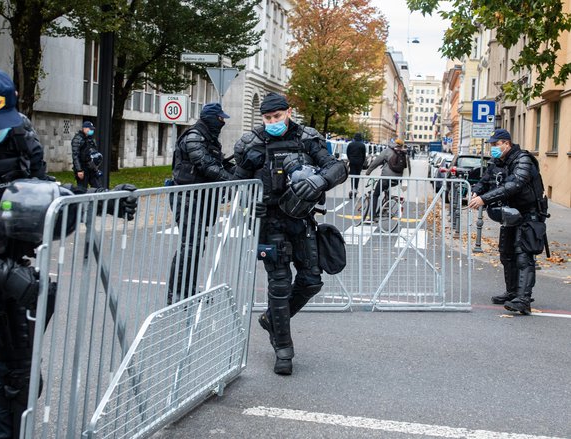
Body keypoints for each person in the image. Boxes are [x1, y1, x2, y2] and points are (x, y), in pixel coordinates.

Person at [0, 67, 137, 438]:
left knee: (22, 386)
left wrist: (98, 202)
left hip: (13, 275)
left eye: (4, 118)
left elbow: (42, 196)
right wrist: (7, 276)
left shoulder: (20, 134)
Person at [233, 92, 347, 375]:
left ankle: (272, 319)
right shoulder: (251, 142)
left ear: (289, 112)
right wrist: (250, 199)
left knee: (310, 281)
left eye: (277, 116)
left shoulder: (307, 137)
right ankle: (283, 350)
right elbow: (234, 183)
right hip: (270, 222)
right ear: (262, 118)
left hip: (302, 220)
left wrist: (320, 181)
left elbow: (337, 167)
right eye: (268, 118)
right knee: (280, 285)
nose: (273, 122)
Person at [468, 129, 547, 315]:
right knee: (506, 253)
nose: (493, 149)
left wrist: (484, 199)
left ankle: (523, 299)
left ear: (506, 144)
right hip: (511, 213)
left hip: (529, 213)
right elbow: (485, 180)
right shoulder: (499, 161)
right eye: (492, 145)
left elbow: (514, 185)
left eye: (496, 145)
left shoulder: (523, 160)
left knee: (523, 255)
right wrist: (477, 190)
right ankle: (512, 293)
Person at [167, 102, 235, 304]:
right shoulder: (195, 136)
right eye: (220, 118)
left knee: (196, 247)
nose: (222, 122)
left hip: (200, 200)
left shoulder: (208, 138)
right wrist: (231, 180)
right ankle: (176, 294)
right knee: (190, 246)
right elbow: (205, 165)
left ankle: (187, 290)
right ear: (211, 118)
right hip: (188, 199)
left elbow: (217, 164)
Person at [364, 138, 410, 220]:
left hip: (385, 178)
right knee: (387, 188)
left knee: (375, 195)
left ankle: (372, 216)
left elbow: (376, 162)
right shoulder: (404, 153)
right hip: (396, 180)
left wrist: (368, 172)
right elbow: (408, 169)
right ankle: (386, 207)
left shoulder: (387, 151)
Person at [71, 120, 103, 189]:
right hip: (82, 168)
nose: (91, 130)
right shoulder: (78, 139)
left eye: (92, 129)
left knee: (98, 188)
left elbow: (94, 152)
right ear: (84, 128)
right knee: (82, 190)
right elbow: (75, 156)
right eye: (90, 129)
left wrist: (95, 167)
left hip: (91, 168)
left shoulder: (90, 139)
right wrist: (79, 170)